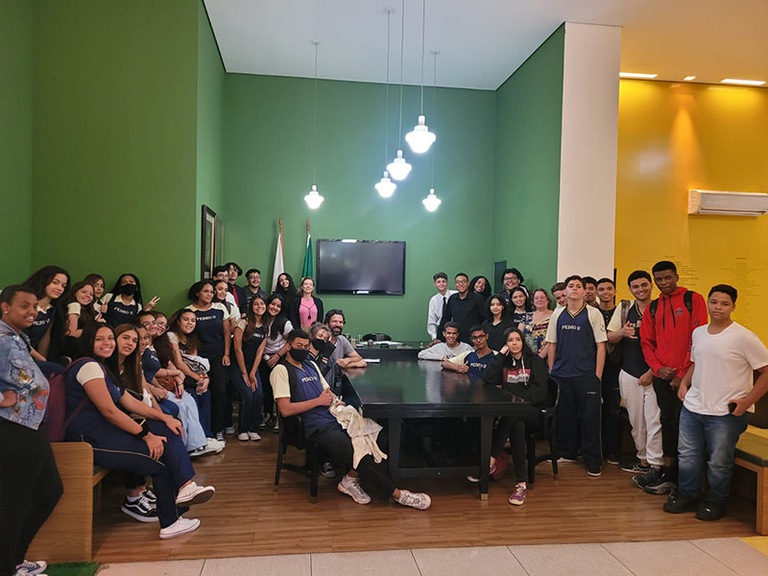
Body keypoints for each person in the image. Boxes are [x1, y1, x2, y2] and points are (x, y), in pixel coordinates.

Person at [64, 323, 215, 539]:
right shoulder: (89, 366)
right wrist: (146, 435)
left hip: (104, 433)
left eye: (110, 338)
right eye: (100, 339)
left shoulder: (103, 368)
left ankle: (185, 489)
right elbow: (109, 412)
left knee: (164, 427)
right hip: (89, 440)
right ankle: (171, 520)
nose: (107, 343)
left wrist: (165, 417)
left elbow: (130, 402)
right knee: (161, 461)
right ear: (89, 341)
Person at [270, 329, 431, 510]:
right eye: (298, 346)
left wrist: (336, 401)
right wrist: (318, 401)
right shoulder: (281, 371)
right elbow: (285, 409)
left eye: (306, 346)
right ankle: (399, 495)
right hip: (315, 426)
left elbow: (326, 391)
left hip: (333, 416)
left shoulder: (310, 365)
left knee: (380, 437)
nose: (303, 349)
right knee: (359, 452)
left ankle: (350, 479)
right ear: (288, 346)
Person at [664, 284, 768, 521]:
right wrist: (684, 383)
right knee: (687, 454)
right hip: (694, 406)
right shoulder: (699, 333)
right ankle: (688, 495)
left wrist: (747, 402)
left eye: (724, 303)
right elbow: (696, 362)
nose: (718, 307)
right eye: (714, 302)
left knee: (719, 462)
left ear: (733, 307)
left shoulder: (744, 337)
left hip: (726, 412)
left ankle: (715, 501)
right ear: (708, 303)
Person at [0, 285, 63, 576]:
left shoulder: (17, 338)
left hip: (31, 425)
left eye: (34, 306)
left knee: (50, 491)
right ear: (5, 307)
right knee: (14, 501)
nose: (32, 312)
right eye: (24, 305)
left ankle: (15, 559)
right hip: (12, 427)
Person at [637, 261, 707, 495]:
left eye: (668, 277)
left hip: (689, 377)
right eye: (659, 279)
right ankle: (669, 473)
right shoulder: (654, 307)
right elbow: (646, 343)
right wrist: (658, 369)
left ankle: (687, 481)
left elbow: (698, 339)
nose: (664, 283)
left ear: (676, 276)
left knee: (687, 426)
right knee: (667, 421)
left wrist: (682, 374)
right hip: (662, 376)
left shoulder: (692, 299)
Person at [545, 275, 607, 477]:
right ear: (565, 291)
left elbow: (601, 346)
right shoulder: (558, 314)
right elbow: (552, 344)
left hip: (586, 375)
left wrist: (597, 376)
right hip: (562, 375)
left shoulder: (593, 314)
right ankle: (567, 453)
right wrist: (552, 371)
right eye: (570, 286)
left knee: (590, 419)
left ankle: (593, 461)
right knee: (565, 417)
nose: (574, 289)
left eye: (578, 286)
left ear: (584, 291)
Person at [480, 327, 549, 505]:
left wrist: (517, 401)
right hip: (513, 415)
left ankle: (491, 458)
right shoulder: (504, 362)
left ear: (522, 341)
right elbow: (488, 379)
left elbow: (540, 392)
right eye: (510, 341)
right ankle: (521, 484)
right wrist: (501, 354)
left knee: (514, 414)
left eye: (517, 339)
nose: (514, 343)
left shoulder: (535, 361)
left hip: (533, 413)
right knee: (516, 424)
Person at [607, 270, 662, 476]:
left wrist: (652, 371)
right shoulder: (624, 309)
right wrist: (622, 332)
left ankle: (656, 464)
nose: (640, 289)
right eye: (636, 286)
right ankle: (643, 460)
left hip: (654, 374)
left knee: (654, 420)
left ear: (651, 285)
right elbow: (609, 336)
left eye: (644, 285)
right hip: (629, 372)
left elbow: (667, 344)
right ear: (630, 289)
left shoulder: (660, 308)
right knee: (636, 421)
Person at [186, 280, 231, 442]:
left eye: (212, 292)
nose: (210, 294)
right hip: (200, 358)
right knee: (202, 391)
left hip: (219, 355)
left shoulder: (220, 308)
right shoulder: (189, 311)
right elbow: (189, 336)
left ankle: (218, 429)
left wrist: (226, 353)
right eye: (206, 291)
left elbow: (227, 333)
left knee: (220, 391)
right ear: (197, 293)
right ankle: (204, 430)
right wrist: (195, 360)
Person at [231, 295, 268, 441]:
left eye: (262, 304)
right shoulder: (242, 323)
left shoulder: (266, 326)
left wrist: (252, 373)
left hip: (253, 367)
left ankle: (253, 429)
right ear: (251, 307)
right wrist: (244, 373)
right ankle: (243, 429)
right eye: (256, 304)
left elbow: (260, 352)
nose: (260, 307)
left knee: (258, 395)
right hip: (237, 366)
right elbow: (237, 349)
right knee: (247, 395)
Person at [595, 277, 621, 465]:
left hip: (616, 367)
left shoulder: (622, 312)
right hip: (594, 367)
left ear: (614, 291)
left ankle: (612, 450)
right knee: (593, 409)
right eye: (602, 289)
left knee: (612, 409)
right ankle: (596, 449)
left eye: (609, 288)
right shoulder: (592, 313)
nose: (605, 292)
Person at [22, 265, 70, 364]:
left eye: (63, 286)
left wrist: (45, 361)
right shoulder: (25, 306)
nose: (59, 288)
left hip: (34, 357)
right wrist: (41, 359)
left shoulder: (52, 310)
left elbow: (45, 338)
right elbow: (19, 340)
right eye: (55, 282)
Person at [438, 273, 487, 344]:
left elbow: (485, 319)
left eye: (464, 282)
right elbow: (446, 318)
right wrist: (439, 338)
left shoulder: (478, 299)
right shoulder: (452, 299)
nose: (461, 284)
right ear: (455, 284)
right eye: (458, 282)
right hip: (456, 340)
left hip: (473, 340)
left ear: (468, 283)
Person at [426, 272, 456, 344]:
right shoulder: (433, 300)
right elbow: (431, 321)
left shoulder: (455, 295)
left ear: (447, 283)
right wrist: (435, 338)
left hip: (456, 332)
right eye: (438, 282)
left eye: (443, 281)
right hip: (441, 334)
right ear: (435, 284)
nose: (441, 284)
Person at [522, 289, 553, 358]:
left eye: (542, 297)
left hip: (547, 356)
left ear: (548, 300)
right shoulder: (526, 316)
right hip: (527, 356)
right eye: (536, 298)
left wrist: (541, 356)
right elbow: (518, 335)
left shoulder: (554, 316)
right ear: (533, 301)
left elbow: (554, 338)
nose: (539, 300)